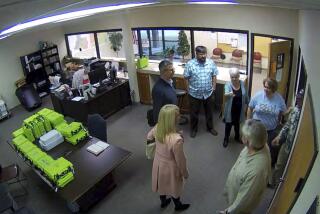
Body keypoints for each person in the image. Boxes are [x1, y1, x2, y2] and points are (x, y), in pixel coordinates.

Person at [220, 119, 271, 214]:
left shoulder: (256, 171)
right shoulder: (259, 144)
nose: (241, 136)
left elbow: (244, 200)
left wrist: (228, 211)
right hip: (235, 189)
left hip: (239, 208)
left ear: (248, 141)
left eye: (243, 135)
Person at [147, 104, 190, 211]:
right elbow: (180, 161)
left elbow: (149, 136)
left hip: (158, 163)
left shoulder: (158, 127)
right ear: (173, 121)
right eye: (178, 115)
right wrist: (185, 173)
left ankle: (163, 201)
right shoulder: (176, 140)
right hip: (171, 167)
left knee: (161, 183)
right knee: (174, 186)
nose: (180, 116)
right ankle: (178, 205)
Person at [247, 78, 286, 167]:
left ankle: (264, 165)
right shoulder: (258, 95)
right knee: (254, 145)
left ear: (273, 89)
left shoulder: (279, 99)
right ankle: (252, 163)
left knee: (266, 149)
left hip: (270, 130)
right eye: (265, 86)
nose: (265, 89)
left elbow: (284, 111)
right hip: (256, 127)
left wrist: (291, 111)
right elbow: (250, 107)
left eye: (268, 88)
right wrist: (248, 121)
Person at [270, 89, 304, 187]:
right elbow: (288, 125)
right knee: (279, 165)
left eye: (300, 98)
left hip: (298, 147)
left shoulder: (305, 115)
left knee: (292, 169)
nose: (298, 100)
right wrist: (279, 136)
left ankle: (284, 187)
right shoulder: (295, 110)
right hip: (287, 143)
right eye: (297, 98)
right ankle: (274, 184)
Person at [184, 45, 219, 138]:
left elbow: (214, 75)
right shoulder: (190, 64)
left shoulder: (211, 63)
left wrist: (214, 87)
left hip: (209, 93)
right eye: (201, 54)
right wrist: (188, 90)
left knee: (209, 112)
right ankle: (194, 129)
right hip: (194, 94)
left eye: (204, 54)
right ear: (196, 54)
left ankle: (210, 128)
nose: (203, 56)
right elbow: (186, 78)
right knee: (194, 113)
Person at [223, 68, 249, 147]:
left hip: (239, 109)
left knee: (237, 124)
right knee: (228, 124)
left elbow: (245, 94)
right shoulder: (228, 84)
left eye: (236, 77)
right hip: (230, 109)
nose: (234, 79)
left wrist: (249, 103)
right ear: (230, 77)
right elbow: (226, 93)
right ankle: (226, 138)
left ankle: (237, 137)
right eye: (232, 77)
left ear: (239, 76)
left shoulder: (242, 83)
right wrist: (229, 94)